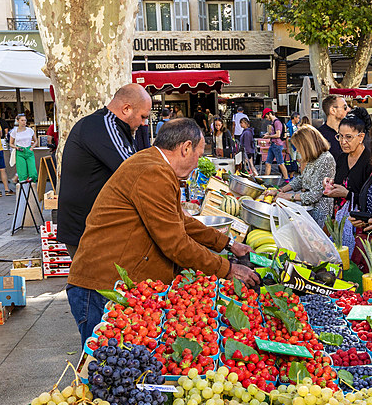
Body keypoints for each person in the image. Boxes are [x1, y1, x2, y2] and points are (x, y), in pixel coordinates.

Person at [66, 118, 259, 345]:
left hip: (113, 282)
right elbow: (175, 243)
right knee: (104, 365)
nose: (197, 163)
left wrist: (227, 244)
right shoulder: (153, 172)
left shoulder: (154, 164)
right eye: (198, 155)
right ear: (185, 148)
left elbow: (181, 221)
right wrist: (226, 268)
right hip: (102, 287)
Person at [57, 83, 152, 258]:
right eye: (143, 117)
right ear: (126, 109)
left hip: (95, 228)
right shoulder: (103, 125)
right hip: (86, 229)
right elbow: (134, 170)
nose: (143, 123)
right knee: (95, 284)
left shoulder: (117, 127)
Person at [275, 125, 335, 225]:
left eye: (299, 147)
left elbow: (314, 195)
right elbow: (301, 179)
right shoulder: (313, 158)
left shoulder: (326, 159)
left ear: (307, 145)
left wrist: (289, 197)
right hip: (309, 209)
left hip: (319, 212)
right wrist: (281, 190)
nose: (298, 151)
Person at [325, 107, 372, 205]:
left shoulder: (370, 161)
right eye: (340, 136)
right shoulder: (342, 158)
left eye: (348, 137)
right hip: (339, 215)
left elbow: (371, 198)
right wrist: (331, 183)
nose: (343, 142)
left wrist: (347, 194)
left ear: (361, 137)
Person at [318, 95, 349, 162]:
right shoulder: (319, 135)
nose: (348, 110)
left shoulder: (350, 132)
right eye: (345, 107)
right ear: (333, 110)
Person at [9, 114, 37, 184]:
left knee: (33, 173)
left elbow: (36, 141)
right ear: (18, 121)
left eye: (25, 120)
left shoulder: (30, 130)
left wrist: (32, 147)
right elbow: (11, 143)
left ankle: (31, 189)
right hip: (20, 151)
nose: (24, 122)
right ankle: (24, 190)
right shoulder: (14, 131)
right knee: (22, 174)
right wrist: (16, 147)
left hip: (29, 150)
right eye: (22, 120)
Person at [262, 108, 288, 181]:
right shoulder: (273, 122)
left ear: (269, 114)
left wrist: (268, 136)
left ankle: (286, 180)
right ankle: (266, 181)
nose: (266, 119)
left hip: (277, 145)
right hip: (273, 145)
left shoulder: (277, 122)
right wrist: (267, 134)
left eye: (266, 116)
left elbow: (278, 135)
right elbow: (273, 133)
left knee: (280, 164)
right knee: (267, 163)